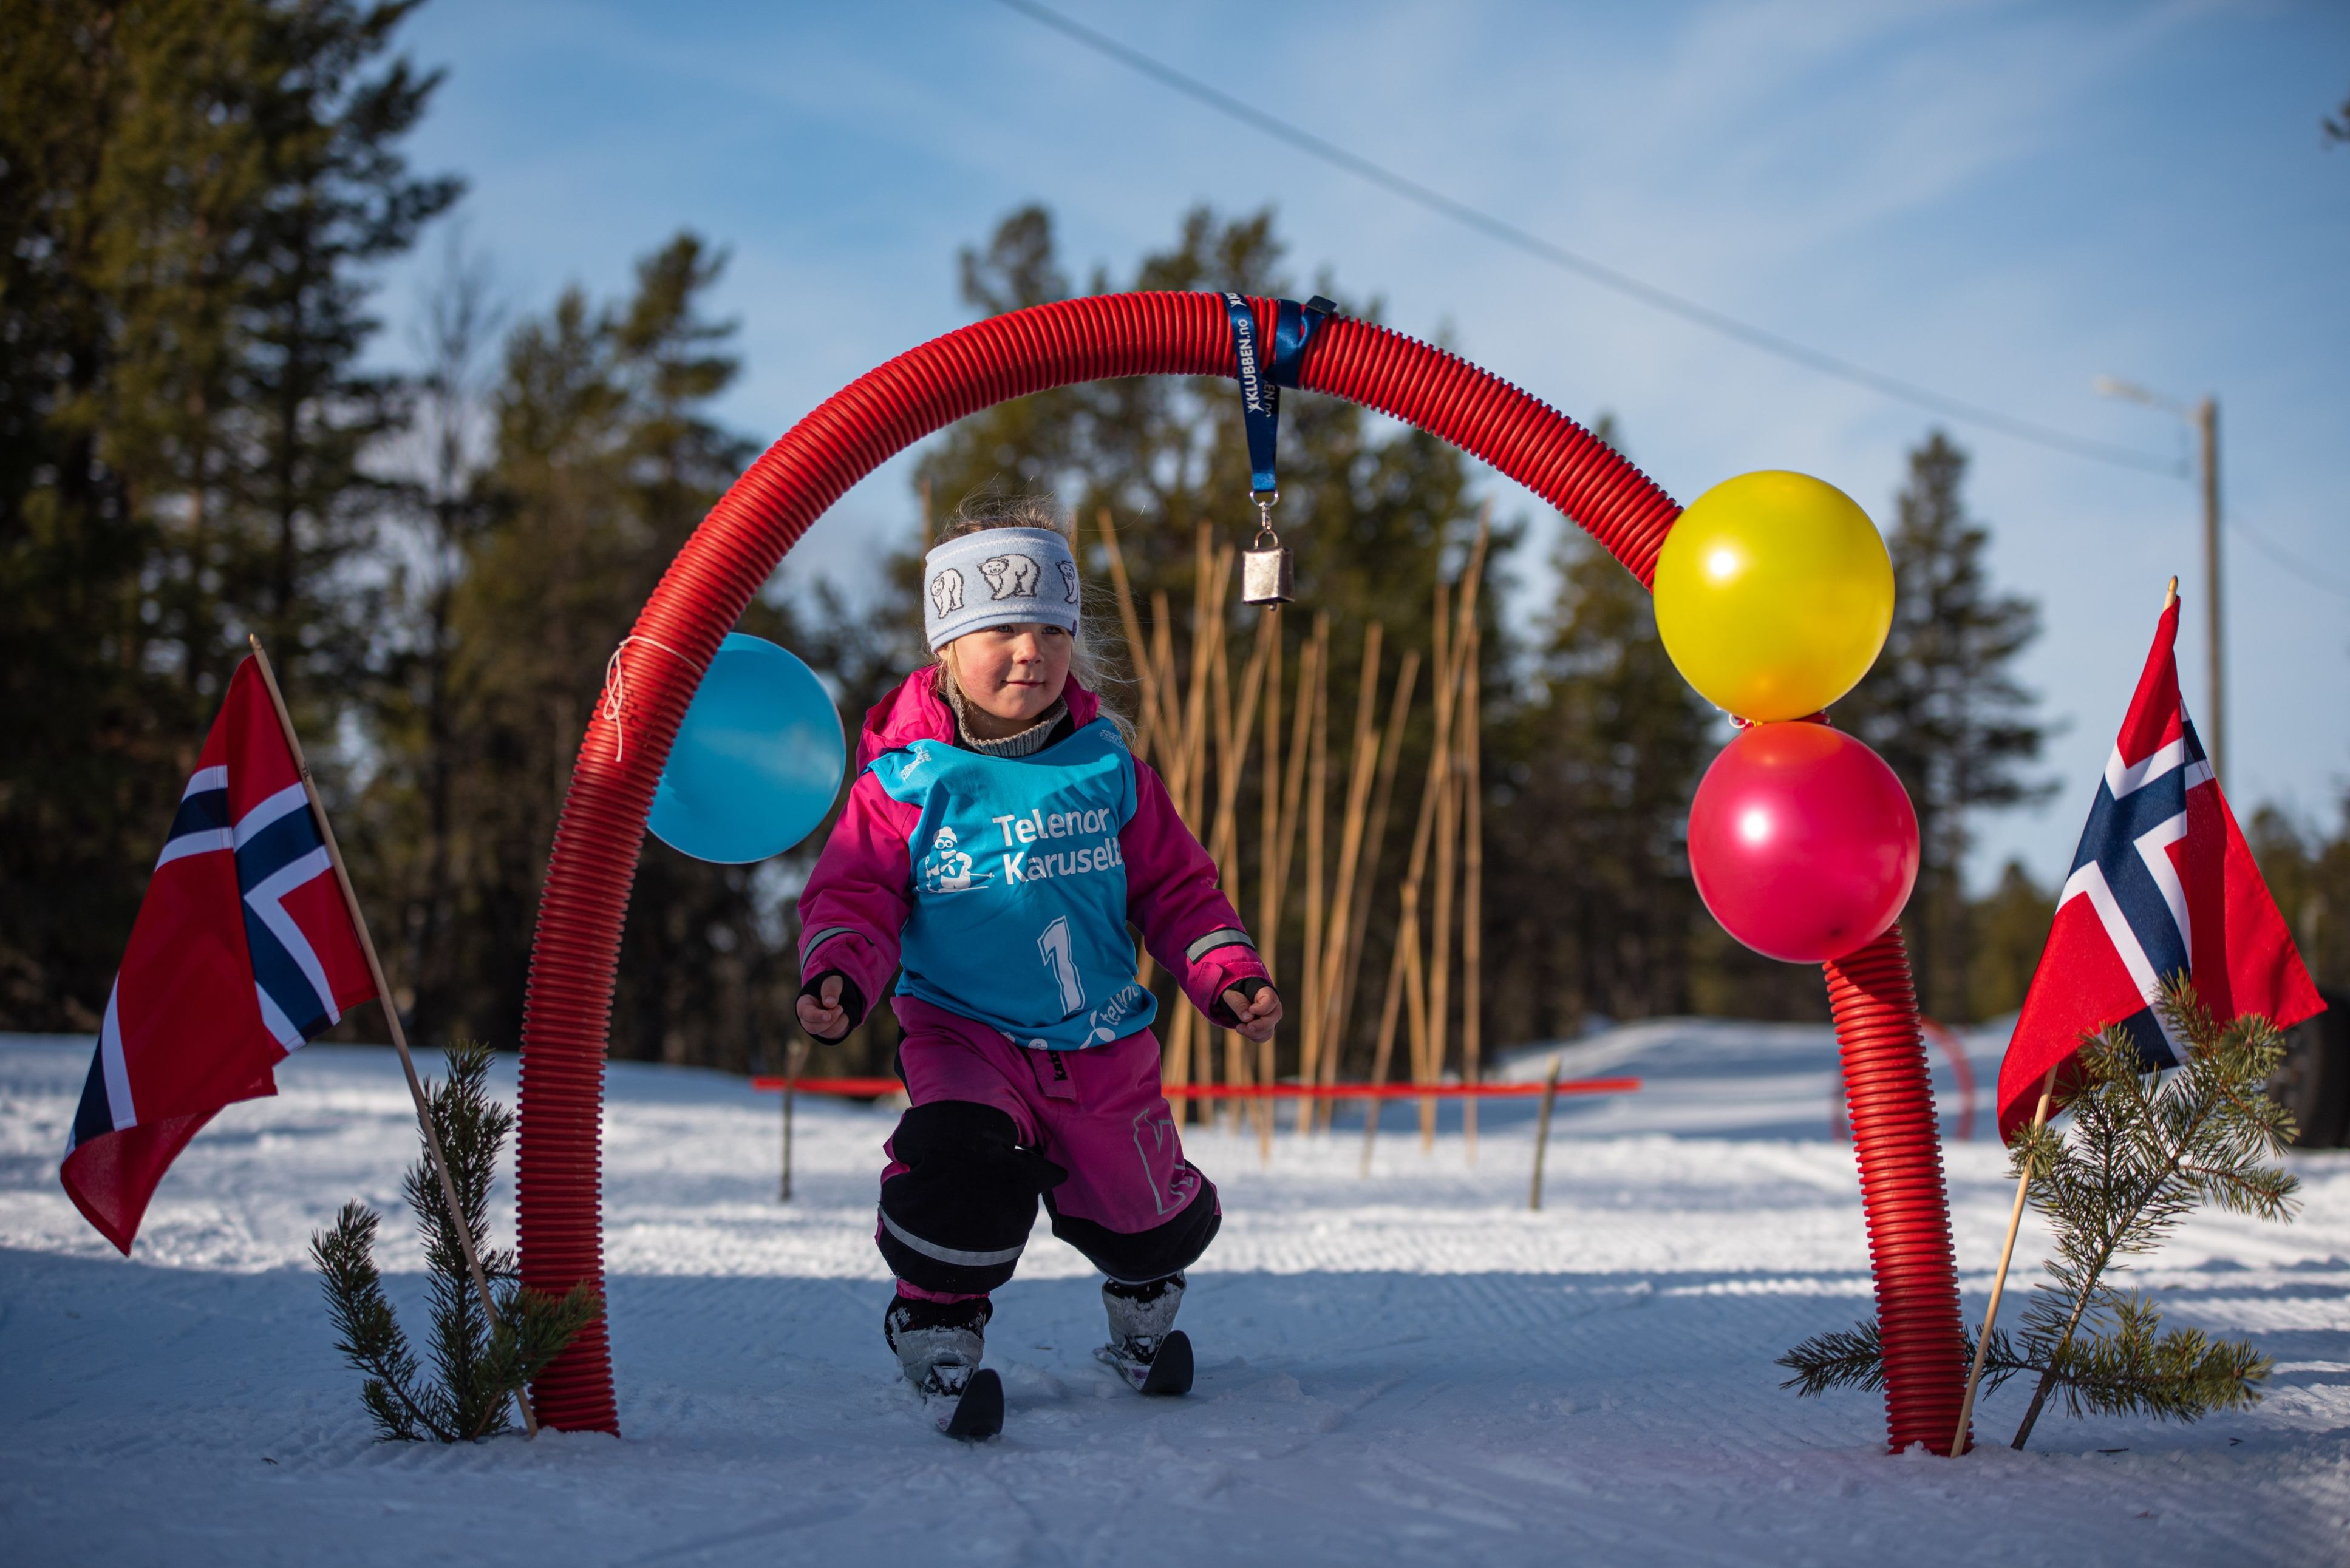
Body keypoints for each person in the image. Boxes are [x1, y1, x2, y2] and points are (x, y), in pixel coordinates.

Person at [795, 497, 1281, 1413]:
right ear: (947, 646)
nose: (1032, 652)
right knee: (960, 1163)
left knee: (1140, 1212)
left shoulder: (1107, 769)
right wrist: (839, 974)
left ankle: (1143, 1308)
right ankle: (938, 1326)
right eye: (1004, 630)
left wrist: (1227, 973)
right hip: (964, 1031)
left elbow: (1176, 891)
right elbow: (855, 894)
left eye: (1052, 631)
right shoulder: (906, 781)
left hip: (1097, 1032)